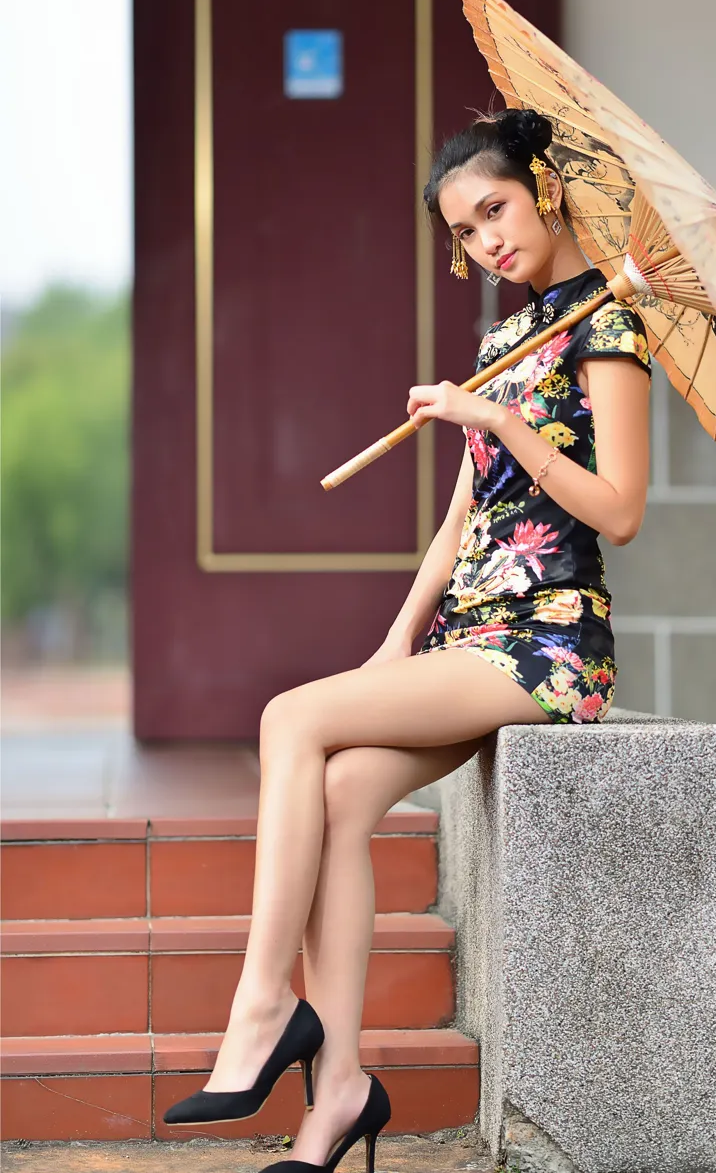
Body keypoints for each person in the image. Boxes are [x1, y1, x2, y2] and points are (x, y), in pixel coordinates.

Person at [161, 108, 652, 1170]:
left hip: (549, 642)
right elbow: (459, 528)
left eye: (497, 211)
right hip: (466, 638)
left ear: (544, 190)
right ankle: (337, 1089)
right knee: (338, 792)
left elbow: (619, 509)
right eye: (467, 233)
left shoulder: (612, 324)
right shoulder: (500, 339)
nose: (488, 242)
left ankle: (260, 1011)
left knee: (288, 715)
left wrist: (507, 424)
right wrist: (395, 649)